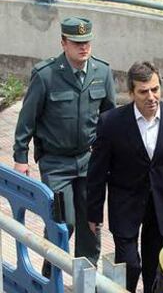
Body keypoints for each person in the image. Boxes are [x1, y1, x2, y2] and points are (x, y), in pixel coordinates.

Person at [87, 61, 163, 293]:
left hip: (161, 204)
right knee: (129, 265)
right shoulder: (111, 123)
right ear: (131, 93)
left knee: (156, 266)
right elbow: (97, 172)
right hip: (125, 204)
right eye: (143, 91)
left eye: (155, 89)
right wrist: (94, 213)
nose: (151, 97)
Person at [13, 17, 116, 273]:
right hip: (56, 162)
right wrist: (20, 157)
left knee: (91, 224)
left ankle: (86, 283)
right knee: (63, 221)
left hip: (89, 160)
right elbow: (27, 120)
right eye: (77, 42)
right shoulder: (46, 75)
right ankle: (51, 277)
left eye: (87, 42)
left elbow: (110, 119)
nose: (83, 47)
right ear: (63, 43)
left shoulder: (102, 73)